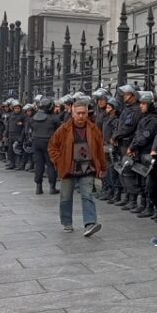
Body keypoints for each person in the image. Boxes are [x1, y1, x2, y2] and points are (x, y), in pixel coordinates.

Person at [49, 96, 105, 236]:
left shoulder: (93, 129)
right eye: (78, 113)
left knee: (87, 196)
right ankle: (67, 222)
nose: (81, 116)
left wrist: (102, 167)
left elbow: (99, 150)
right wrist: (59, 160)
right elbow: (52, 147)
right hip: (69, 168)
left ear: (87, 113)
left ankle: (90, 223)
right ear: (73, 114)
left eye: (83, 113)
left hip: (88, 169)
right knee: (66, 197)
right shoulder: (64, 129)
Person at [128, 91, 157, 216]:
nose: (140, 106)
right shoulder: (144, 117)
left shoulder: (154, 119)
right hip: (140, 152)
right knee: (141, 181)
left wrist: (133, 146)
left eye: (143, 103)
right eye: (140, 103)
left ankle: (151, 207)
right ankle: (143, 205)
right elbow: (137, 135)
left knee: (149, 183)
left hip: (148, 153)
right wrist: (133, 147)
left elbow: (145, 136)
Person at [113, 84, 143, 209]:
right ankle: (127, 196)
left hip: (129, 143)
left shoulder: (135, 110)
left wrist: (116, 136)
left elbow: (127, 128)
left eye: (127, 94)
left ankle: (133, 199)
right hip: (122, 143)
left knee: (128, 171)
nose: (124, 97)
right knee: (122, 171)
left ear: (134, 96)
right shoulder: (128, 109)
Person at [28, 96, 61, 195]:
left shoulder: (34, 118)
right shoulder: (54, 118)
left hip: (36, 141)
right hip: (49, 142)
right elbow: (59, 131)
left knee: (39, 164)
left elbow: (31, 128)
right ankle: (52, 187)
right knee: (51, 165)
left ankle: (38, 187)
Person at [5, 101, 25, 170]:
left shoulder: (22, 116)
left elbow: (24, 127)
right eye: (15, 108)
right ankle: (12, 164)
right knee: (10, 150)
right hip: (11, 134)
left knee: (17, 150)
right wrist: (5, 135)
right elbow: (8, 125)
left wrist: (21, 137)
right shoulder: (11, 115)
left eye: (18, 108)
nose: (17, 109)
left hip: (18, 134)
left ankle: (19, 165)